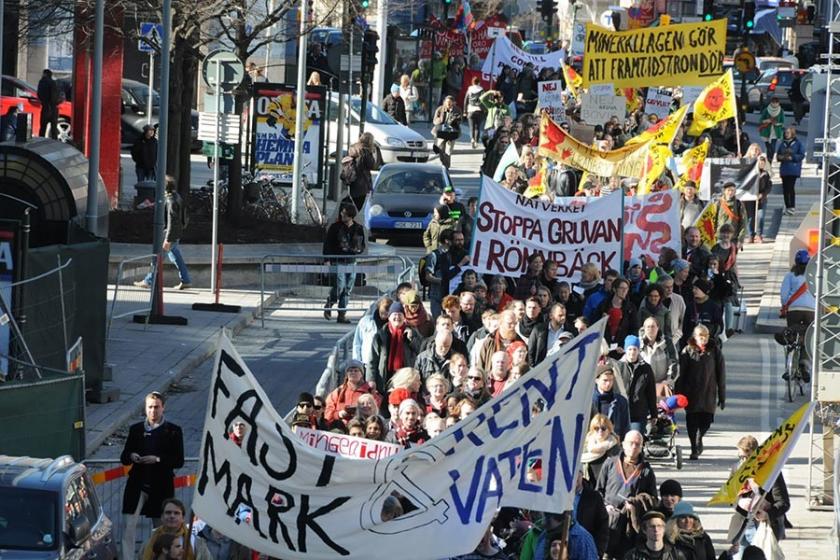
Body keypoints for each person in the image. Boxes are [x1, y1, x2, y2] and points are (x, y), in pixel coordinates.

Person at [120, 392, 184, 560]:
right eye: (150, 407)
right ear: (145, 408)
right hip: (137, 485)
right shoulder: (136, 430)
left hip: (160, 487)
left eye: (156, 407)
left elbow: (178, 460)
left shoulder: (173, 431)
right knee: (128, 527)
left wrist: (157, 459)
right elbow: (124, 456)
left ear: (163, 408)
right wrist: (132, 455)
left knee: (160, 530)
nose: (153, 411)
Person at [596, 431, 658, 558]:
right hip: (609, 520)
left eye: (637, 444)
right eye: (631, 443)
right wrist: (605, 506)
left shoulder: (646, 471)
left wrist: (636, 505)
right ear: (623, 444)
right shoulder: (610, 464)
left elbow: (654, 499)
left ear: (641, 447)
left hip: (630, 525)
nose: (634, 447)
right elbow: (598, 491)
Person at [726, 435, 791, 551]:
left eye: (748, 457)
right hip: (742, 524)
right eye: (741, 457)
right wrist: (739, 502)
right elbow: (730, 495)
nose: (745, 461)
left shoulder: (771, 472)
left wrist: (767, 514)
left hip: (763, 526)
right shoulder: (737, 468)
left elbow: (784, 502)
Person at [676, 324, 725, 459]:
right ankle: (694, 449)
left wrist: (722, 395)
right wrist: (678, 394)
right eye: (700, 336)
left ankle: (700, 436)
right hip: (691, 392)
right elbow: (681, 374)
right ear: (695, 337)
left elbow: (721, 373)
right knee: (691, 422)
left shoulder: (715, 350)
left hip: (709, 393)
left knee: (706, 421)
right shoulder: (687, 351)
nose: (703, 338)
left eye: (706, 336)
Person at [135, 176, 192, 290]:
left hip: (169, 234)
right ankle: (186, 280)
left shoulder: (171, 201)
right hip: (175, 233)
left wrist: (168, 239)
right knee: (176, 257)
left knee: (157, 258)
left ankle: (148, 280)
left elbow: (172, 221)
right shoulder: (176, 197)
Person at [323, 202, 366, 323]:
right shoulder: (335, 227)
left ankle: (342, 314)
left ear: (351, 216)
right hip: (338, 261)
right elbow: (327, 244)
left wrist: (358, 249)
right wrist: (327, 260)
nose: (342, 216)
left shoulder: (358, 228)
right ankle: (330, 302)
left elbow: (362, 245)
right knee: (340, 286)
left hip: (352, 261)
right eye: (342, 213)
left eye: (345, 215)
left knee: (348, 288)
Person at [367, 302, 423, 395]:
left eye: (400, 314)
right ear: (389, 317)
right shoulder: (380, 336)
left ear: (404, 317)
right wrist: (371, 380)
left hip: (405, 379)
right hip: (384, 379)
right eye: (394, 314)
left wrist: (411, 339)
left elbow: (420, 351)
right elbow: (372, 361)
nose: (397, 317)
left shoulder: (412, 333)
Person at [139, 499, 212, 560]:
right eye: (168, 513)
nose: (172, 516)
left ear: (183, 518)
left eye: (176, 513)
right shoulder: (149, 542)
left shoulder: (196, 543)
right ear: (162, 517)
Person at [779, 250, 815, 372]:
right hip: (811, 309)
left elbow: (784, 295)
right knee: (808, 336)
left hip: (794, 309)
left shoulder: (790, 275)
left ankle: (790, 356)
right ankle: (804, 363)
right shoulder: (814, 275)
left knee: (793, 334)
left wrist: (784, 306)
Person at [617, 335, 658, 433]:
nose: (632, 352)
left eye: (635, 349)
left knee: (635, 438)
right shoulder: (618, 366)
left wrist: (654, 414)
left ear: (639, 350)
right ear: (625, 350)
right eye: (630, 349)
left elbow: (651, 392)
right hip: (620, 411)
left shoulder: (646, 368)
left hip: (638, 412)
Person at [324, 359, 382, 425]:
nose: (353, 373)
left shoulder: (370, 390)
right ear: (346, 374)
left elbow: (376, 409)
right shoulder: (338, 392)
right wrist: (339, 414)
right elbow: (327, 413)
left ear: (362, 374)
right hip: (342, 428)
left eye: (356, 371)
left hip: (363, 427)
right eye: (350, 371)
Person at [639, 316, 678, 397]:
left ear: (658, 328)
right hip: (644, 387)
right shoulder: (638, 343)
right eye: (648, 327)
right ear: (644, 328)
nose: (650, 329)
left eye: (653, 326)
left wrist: (668, 381)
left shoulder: (667, 342)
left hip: (663, 386)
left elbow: (674, 363)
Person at [591, 365, 631, 438]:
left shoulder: (620, 401)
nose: (608, 383)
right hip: (594, 442)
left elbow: (625, 426)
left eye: (611, 380)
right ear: (596, 380)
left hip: (614, 442)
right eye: (605, 380)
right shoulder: (590, 402)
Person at [581, 413, 621, 484]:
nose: (600, 431)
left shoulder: (614, 447)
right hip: (588, 484)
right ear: (592, 430)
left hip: (607, 485)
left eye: (603, 428)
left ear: (609, 430)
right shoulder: (585, 445)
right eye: (596, 428)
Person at [342, 132, 377, 211]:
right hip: (362, 182)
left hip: (351, 178)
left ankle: (349, 218)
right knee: (358, 207)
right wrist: (372, 153)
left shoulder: (353, 148)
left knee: (352, 203)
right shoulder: (366, 152)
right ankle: (351, 220)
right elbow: (372, 165)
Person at [776, 126, 805, 215]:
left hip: (793, 169)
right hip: (784, 169)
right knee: (785, 188)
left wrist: (792, 156)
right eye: (785, 133)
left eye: (788, 132)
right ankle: (787, 206)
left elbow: (801, 155)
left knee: (790, 187)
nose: (786, 134)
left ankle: (792, 206)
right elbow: (778, 155)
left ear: (792, 133)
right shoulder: (782, 143)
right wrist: (781, 157)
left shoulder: (798, 143)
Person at [745, 152, 772, 243]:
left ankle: (759, 234)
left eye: (763, 162)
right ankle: (751, 235)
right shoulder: (751, 173)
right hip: (750, 198)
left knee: (760, 216)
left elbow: (769, 186)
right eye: (760, 162)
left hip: (761, 199)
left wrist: (762, 194)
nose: (761, 164)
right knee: (750, 217)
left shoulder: (765, 174)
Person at [714, 182, 749, 248]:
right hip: (720, 238)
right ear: (724, 191)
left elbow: (743, 223)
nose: (730, 192)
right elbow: (713, 220)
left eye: (732, 190)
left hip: (733, 238)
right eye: (728, 190)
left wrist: (740, 239)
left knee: (731, 258)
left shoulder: (739, 204)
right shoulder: (718, 203)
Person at [433, 95, 462, 169]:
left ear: (453, 102)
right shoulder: (440, 109)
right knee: (441, 150)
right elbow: (435, 120)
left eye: (450, 102)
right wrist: (440, 121)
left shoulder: (457, 110)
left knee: (448, 151)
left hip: (452, 133)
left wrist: (455, 120)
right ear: (444, 102)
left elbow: (460, 120)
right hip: (441, 132)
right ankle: (443, 163)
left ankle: (446, 166)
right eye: (447, 102)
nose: (448, 104)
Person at [758, 97, 784, 164]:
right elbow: (760, 120)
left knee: (772, 147)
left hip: (775, 132)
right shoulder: (766, 110)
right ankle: (768, 159)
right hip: (766, 131)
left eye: (776, 102)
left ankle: (770, 161)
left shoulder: (781, 110)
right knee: (768, 147)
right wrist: (767, 120)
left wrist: (777, 123)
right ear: (771, 102)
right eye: (773, 102)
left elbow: (782, 122)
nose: (775, 104)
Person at [37, 69, 59, 138]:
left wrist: (43, 102)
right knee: (54, 128)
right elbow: (55, 95)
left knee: (43, 127)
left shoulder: (41, 82)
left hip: (45, 107)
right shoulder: (53, 83)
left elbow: (39, 94)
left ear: (45, 74)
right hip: (53, 107)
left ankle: (41, 140)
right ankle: (54, 142)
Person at [464, 76, 485, 149]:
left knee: (471, 127)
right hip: (479, 110)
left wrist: (464, 111)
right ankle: (476, 141)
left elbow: (466, 100)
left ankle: (472, 139)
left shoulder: (469, 89)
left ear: (472, 82)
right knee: (477, 127)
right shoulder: (481, 90)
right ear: (479, 82)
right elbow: (483, 100)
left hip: (470, 110)